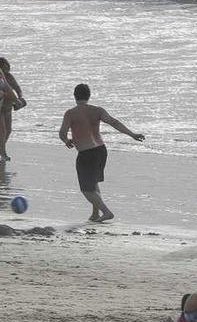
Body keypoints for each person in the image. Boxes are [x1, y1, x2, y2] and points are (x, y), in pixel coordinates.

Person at [58, 83, 144, 222]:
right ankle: (95, 214)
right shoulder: (97, 110)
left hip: (86, 153)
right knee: (93, 183)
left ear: (74, 96)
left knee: (86, 189)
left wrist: (66, 141)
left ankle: (106, 212)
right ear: (89, 96)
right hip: (101, 150)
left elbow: (62, 133)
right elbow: (114, 122)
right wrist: (132, 134)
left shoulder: (71, 113)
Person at [0, 57, 26, 161]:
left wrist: (20, 97)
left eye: (8, 66)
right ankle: (3, 153)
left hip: (8, 107)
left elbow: (17, 88)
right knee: (2, 130)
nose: (7, 69)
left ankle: (0, 149)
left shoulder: (10, 77)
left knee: (8, 130)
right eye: (5, 67)